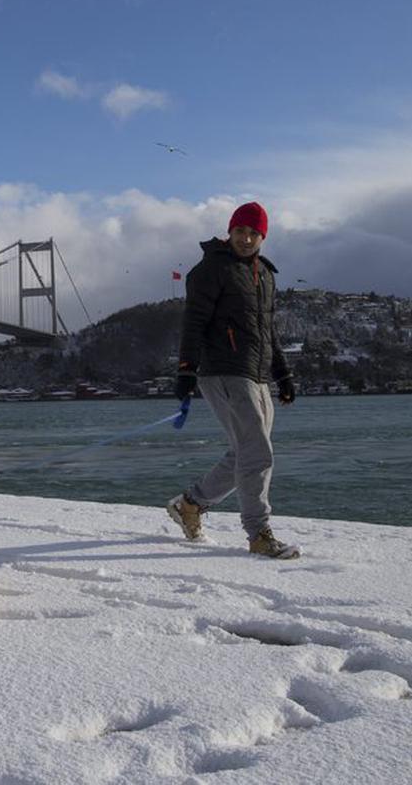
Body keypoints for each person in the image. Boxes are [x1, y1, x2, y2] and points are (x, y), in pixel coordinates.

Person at [167, 201, 300, 559]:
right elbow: (193, 323)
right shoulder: (212, 269)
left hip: (256, 373)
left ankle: (191, 504)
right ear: (230, 231)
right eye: (240, 231)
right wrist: (185, 370)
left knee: (246, 450)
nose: (246, 238)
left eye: (254, 233)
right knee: (257, 451)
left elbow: (266, 330)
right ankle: (258, 533)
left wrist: (282, 374)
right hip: (223, 370)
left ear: (263, 237)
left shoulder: (264, 274)